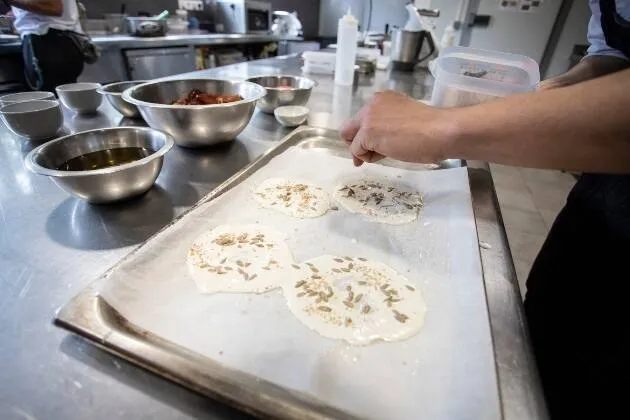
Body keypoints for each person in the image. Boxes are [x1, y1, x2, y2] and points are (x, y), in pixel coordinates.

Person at [341, 1, 629, 419]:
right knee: (547, 344)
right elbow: (614, 58)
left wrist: (443, 126)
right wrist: (541, 100)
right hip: (603, 204)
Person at [5, 0, 85, 91]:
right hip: (63, 41)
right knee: (64, 98)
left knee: (48, 99)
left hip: (47, 41)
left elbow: (53, 7)